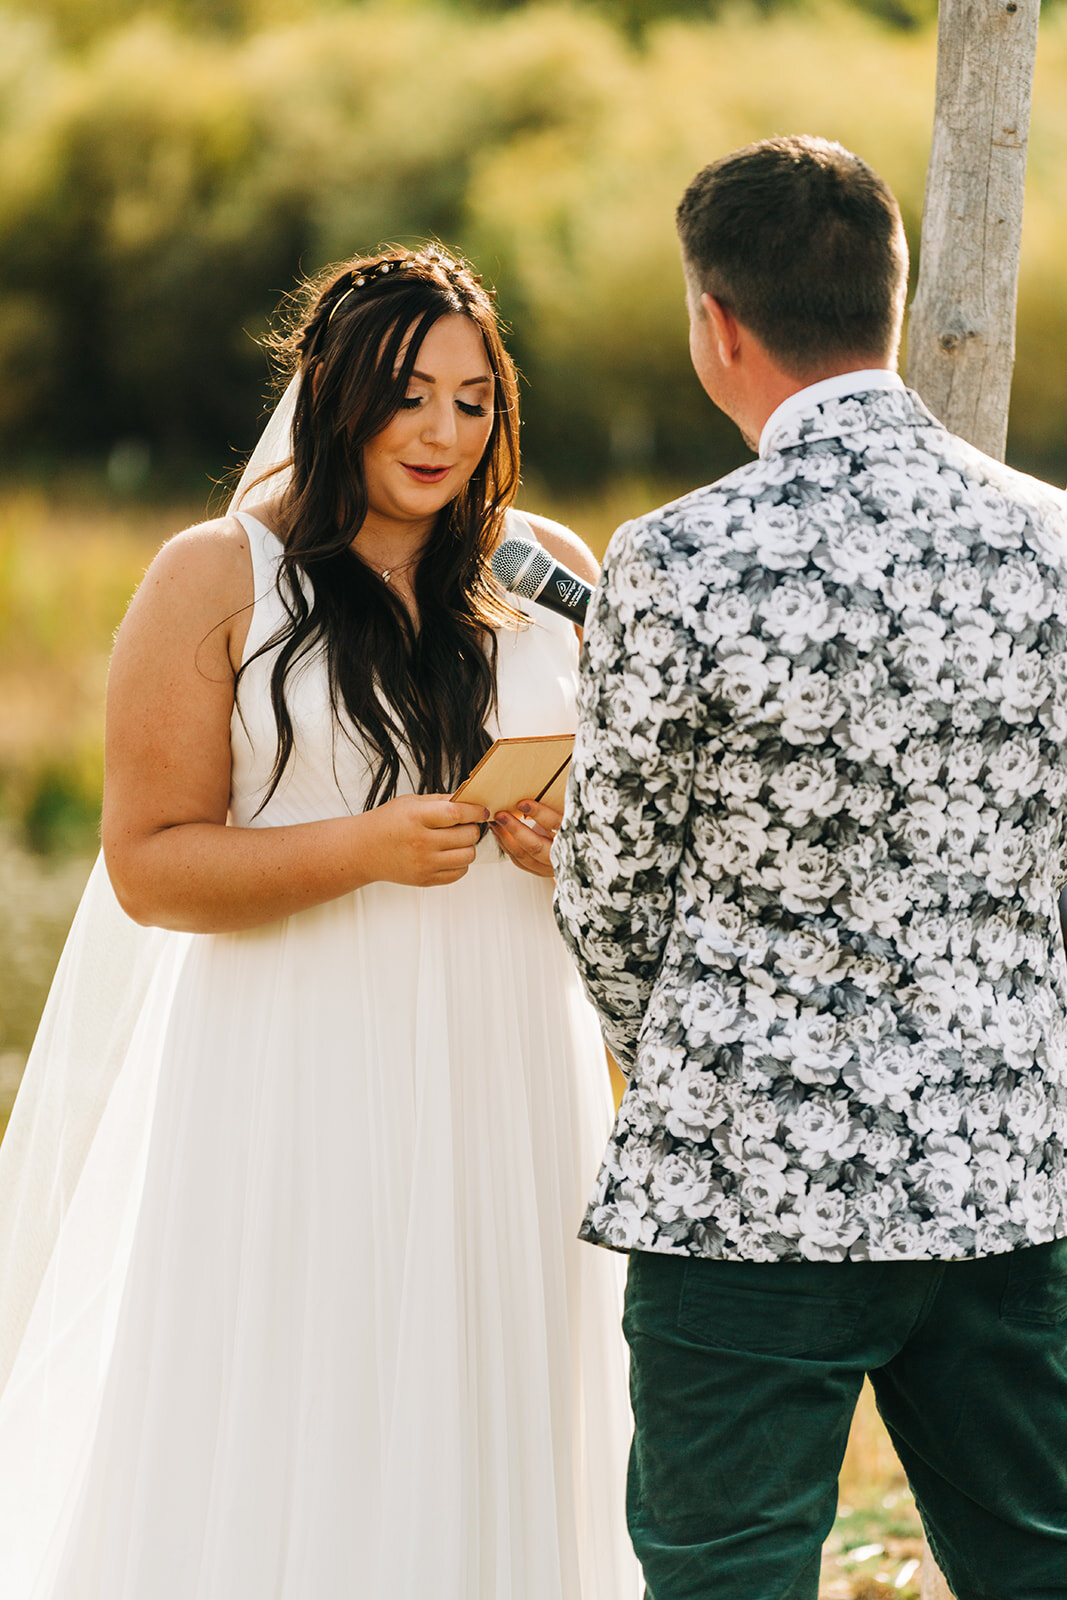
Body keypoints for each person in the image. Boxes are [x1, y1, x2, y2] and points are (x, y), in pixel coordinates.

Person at [0, 245, 639, 1599]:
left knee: (492, 1371)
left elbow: (615, 836)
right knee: (308, 1380)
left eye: (474, 401)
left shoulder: (548, 575)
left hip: (507, 1059)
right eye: (410, 394)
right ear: (333, 390)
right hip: (296, 1065)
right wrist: (362, 847)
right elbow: (148, 866)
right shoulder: (211, 575)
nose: (443, 432)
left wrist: (551, 843)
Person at [553, 136, 1067, 1600]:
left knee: (728, 1577)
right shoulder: (1056, 543)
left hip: (740, 1189)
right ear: (892, 299)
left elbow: (611, 892)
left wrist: (713, 1058)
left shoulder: (676, 559)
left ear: (716, 322)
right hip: (1007, 1173)